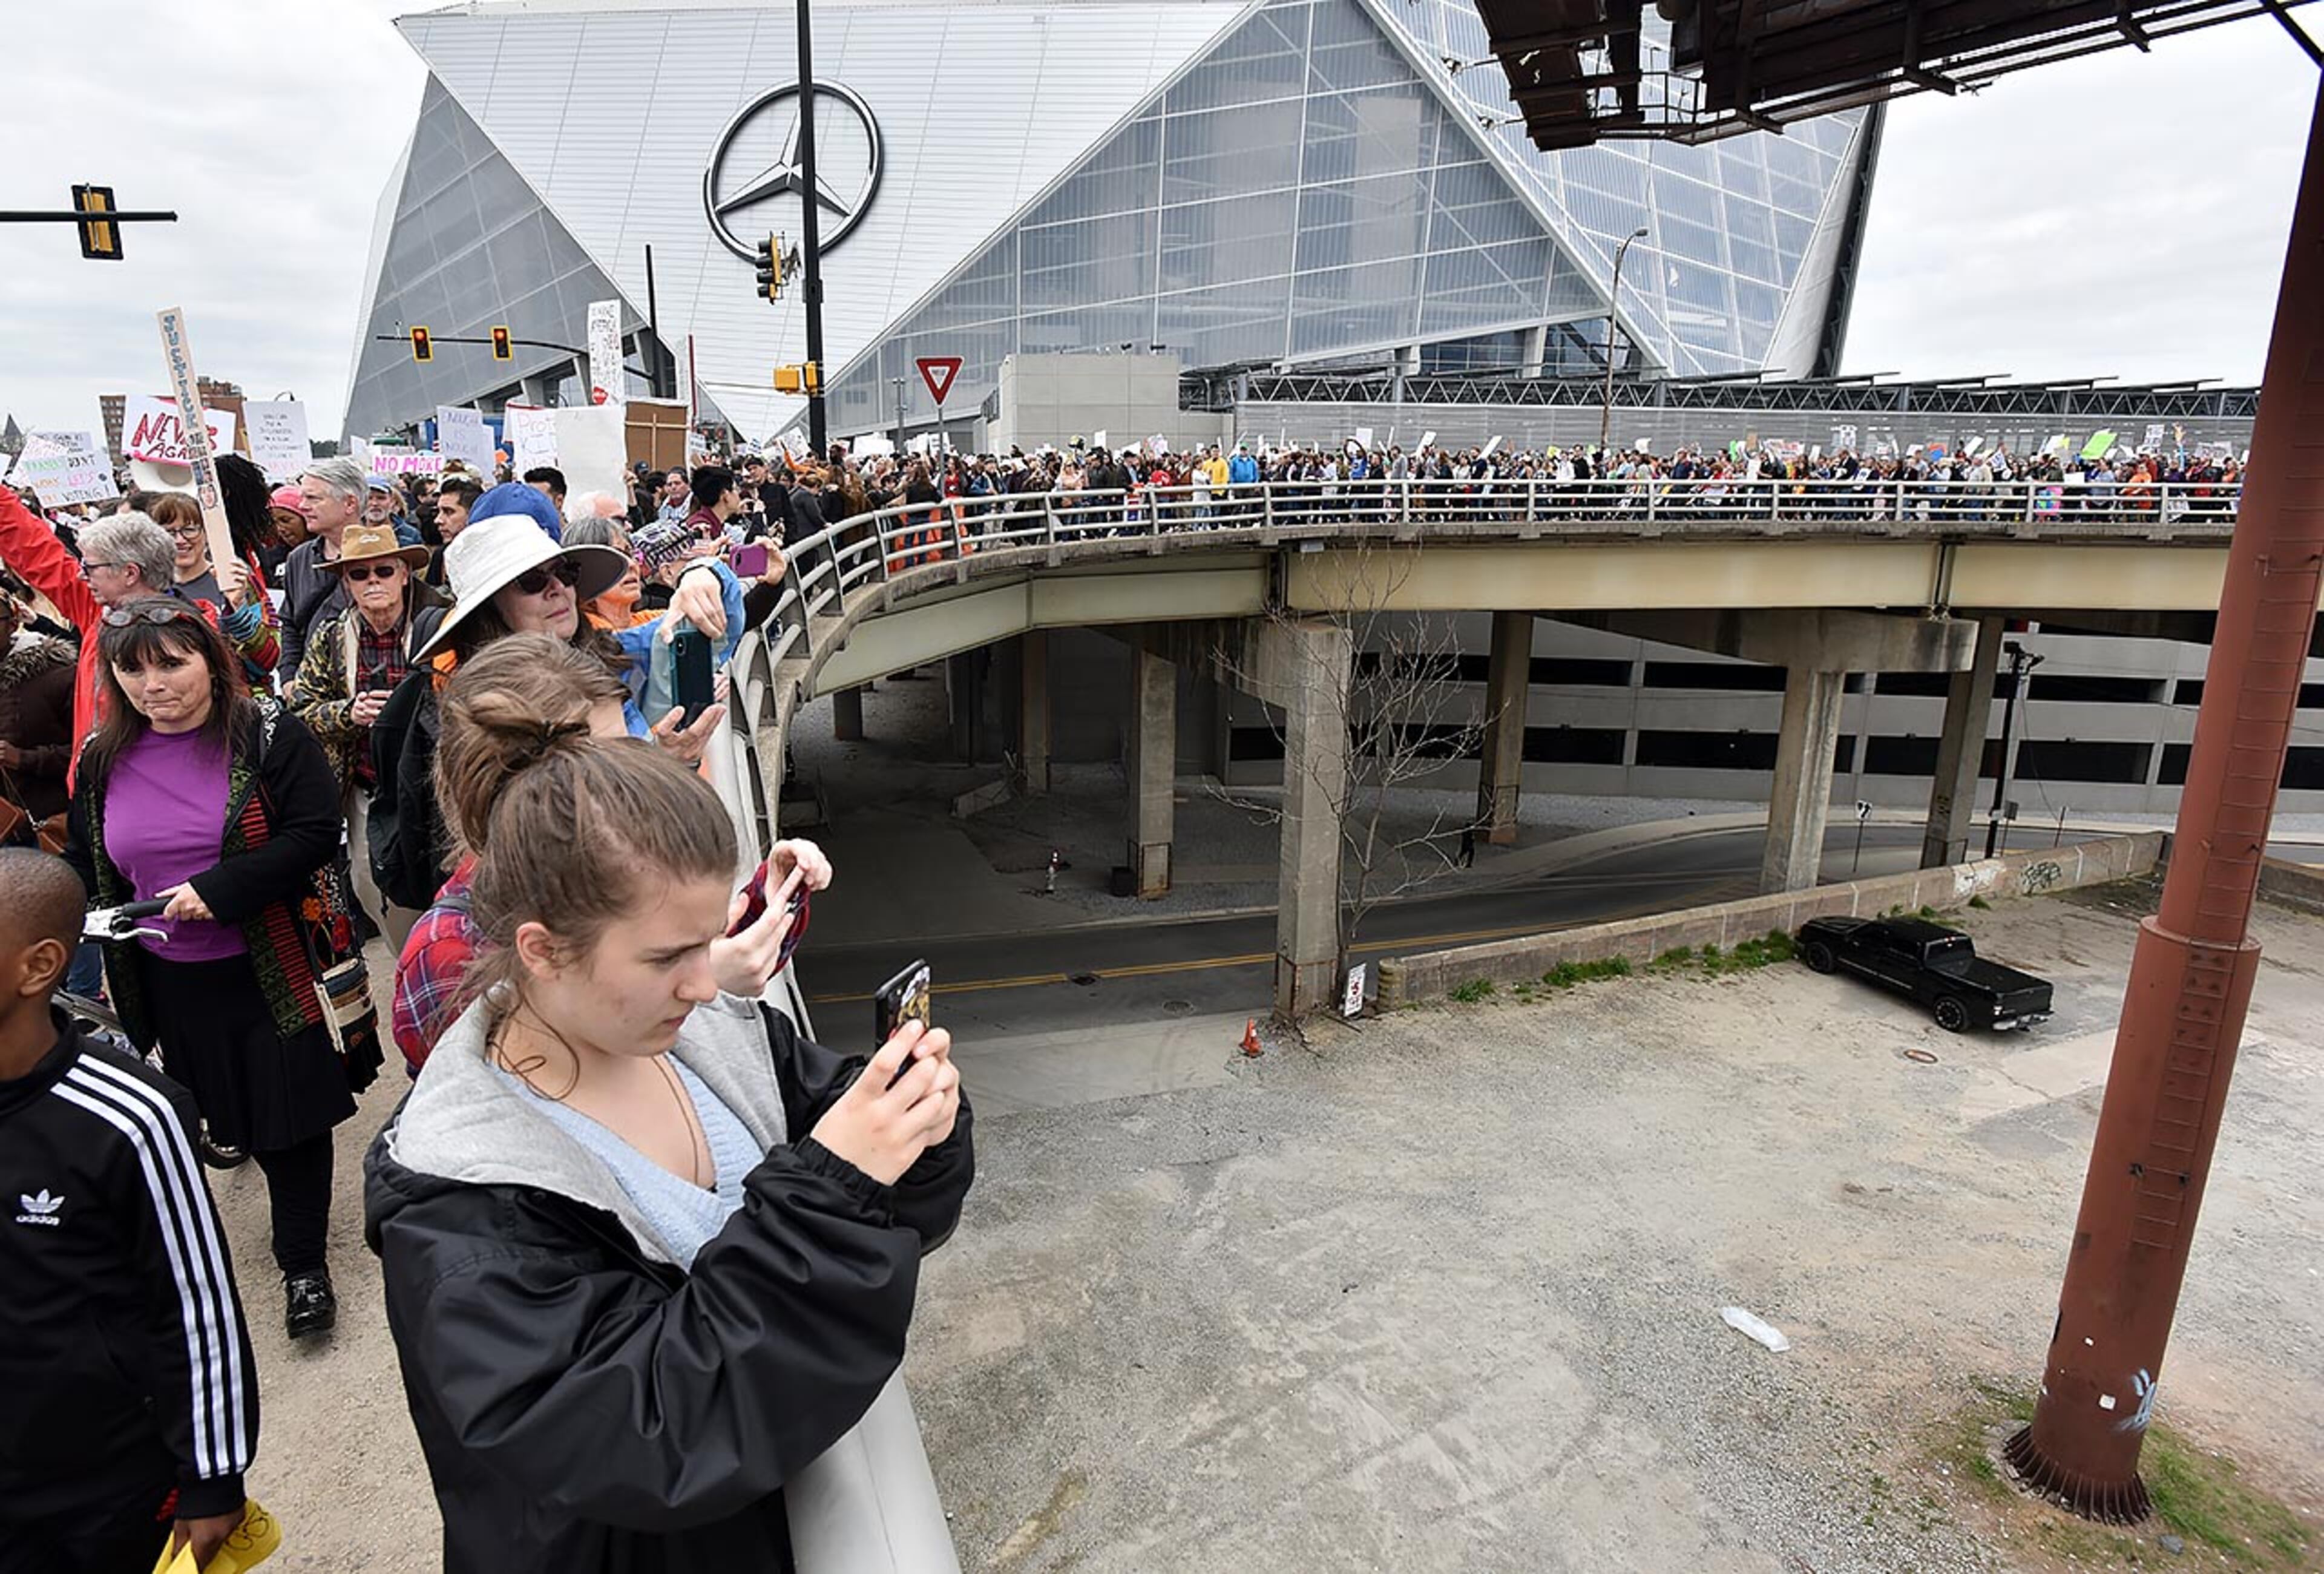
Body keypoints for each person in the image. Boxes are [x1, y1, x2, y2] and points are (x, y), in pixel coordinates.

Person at [365, 736, 970, 1572]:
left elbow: (887, 1210)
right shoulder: (461, 1207)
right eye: (667, 956)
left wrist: (918, 1133)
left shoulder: (711, 1029)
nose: (705, 978)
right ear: (541, 950)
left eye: (710, 935)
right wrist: (834, 1189)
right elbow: (649, 1433)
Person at [64, 600, 365, 1339]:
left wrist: (221, 890)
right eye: (131, 668)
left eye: (170, 663)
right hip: (167, 978)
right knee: (218, 1111)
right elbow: (84, 860)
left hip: (275, 965)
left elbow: (313, 832)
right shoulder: (103, 757)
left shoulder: (268, 733)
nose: (151, 685)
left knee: (289, 1122)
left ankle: (303, 1266)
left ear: (210, 659)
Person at [392, 634, 827, 1073]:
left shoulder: (619, 861)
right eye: (606, 758)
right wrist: (710, 979)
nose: (629, 773)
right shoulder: (445, 949)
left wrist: (770, 902)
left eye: (630, 747)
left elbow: (697, 948)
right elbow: (516, 1094)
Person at [0, 848, 260, 1574]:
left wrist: (213, 1478)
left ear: (38, 966)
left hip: (105, 1480)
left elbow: (196, 1303)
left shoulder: (130, 1117)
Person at [366, 488, 738, 913]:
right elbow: (578, 835)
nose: (558, 588)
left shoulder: (605, 652)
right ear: (491, 609)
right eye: (532, 580)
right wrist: (665, 763)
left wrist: (702, 573)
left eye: (565, 570)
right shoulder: (485, 716)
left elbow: (717, 616)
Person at [283, 522, 448, 948]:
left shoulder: (442, 624)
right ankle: (410, 963)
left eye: (384, 571)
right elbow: (301, 706)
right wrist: (348, 712)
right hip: (368, 788)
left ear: (404, 573)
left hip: (437, 785)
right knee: (371, 883)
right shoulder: (333, 636)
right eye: (360, 574)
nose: (373, 581)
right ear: (346, 581)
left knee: (446, 883)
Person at [0, 496, 178, 778]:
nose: (82, 576)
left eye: (91, 568)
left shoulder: (187, 632)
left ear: (130, 573)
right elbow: (37, 552)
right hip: (93, 791)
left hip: (147, 794)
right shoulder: (98, 613)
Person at [134, 490, 280, 683]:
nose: (180, 540)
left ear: (206, 532)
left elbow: (268, 661)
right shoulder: (147, 590)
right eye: (169, 532)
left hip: (237, 702)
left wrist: (239, 609)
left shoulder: (235, 580)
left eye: (190, 529)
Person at [283, 456, 369, 682]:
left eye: (313, 498)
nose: (302, 506)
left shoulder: (383, 560)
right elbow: (290, 625)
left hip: (361, 692)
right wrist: (289, 679)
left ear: (350, 504)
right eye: (302, 497)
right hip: (307, 696)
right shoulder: (299, 559)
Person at [0, 590, 76, 835]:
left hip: (47, 826)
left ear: (13, 625)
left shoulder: (59, 675)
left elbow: (91, 753)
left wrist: (23, 758)